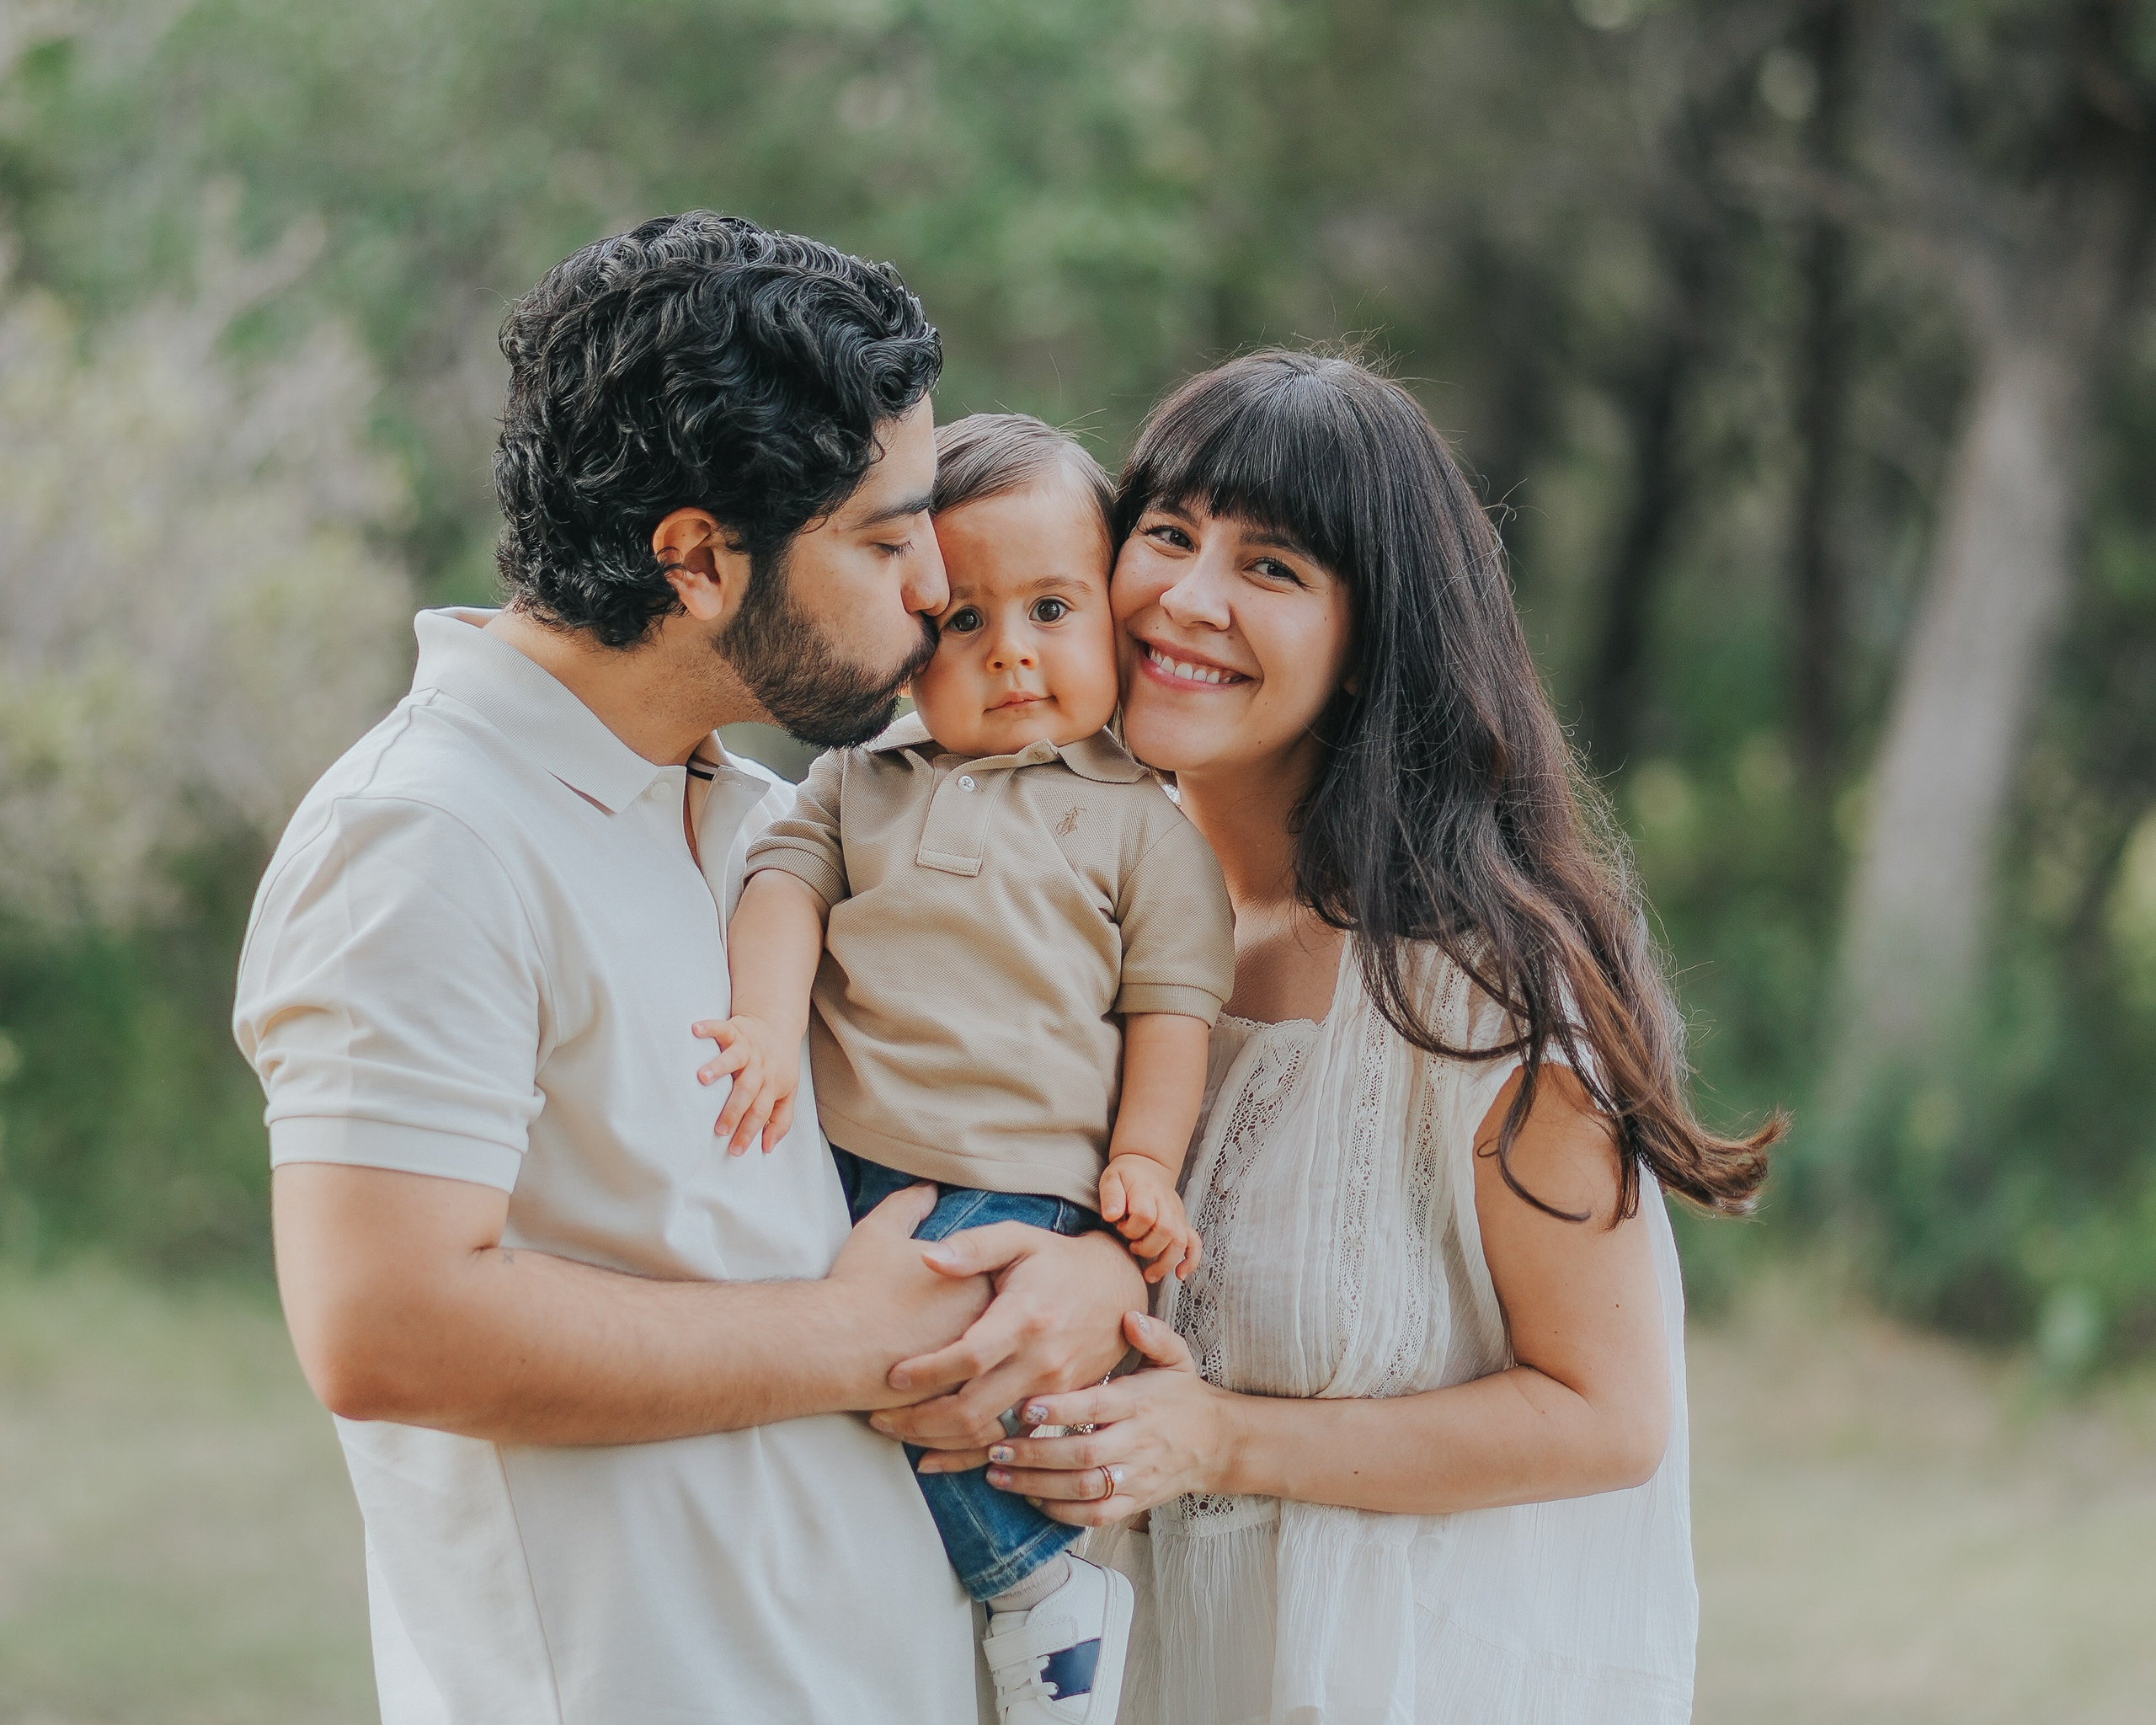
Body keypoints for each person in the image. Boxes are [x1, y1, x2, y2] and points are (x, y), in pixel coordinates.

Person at [232, 212, 1144, 1725]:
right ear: (700, 560)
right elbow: (385, 1327)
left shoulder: (777, 822)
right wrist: (854, 1339)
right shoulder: (422, 839)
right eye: (886, 538)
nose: (937, 585)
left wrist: (1086, 1273)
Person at [906, 350, 1780, 1723]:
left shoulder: (1483, 991)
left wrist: (1223, 1439)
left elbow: (1608, 1416)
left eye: (1272, 568)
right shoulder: (1072, 922)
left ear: (1371, 642)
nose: (1188, 599)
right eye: (1170, 534)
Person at [702, 413, 1235, 1725]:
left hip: (1013, 1189)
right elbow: (782, 888)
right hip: (836, 1168)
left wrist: (1145, 1161)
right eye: (962, 621)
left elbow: (1171, 1013)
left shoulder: (1144, 827)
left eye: (1052, 609)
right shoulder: (859, 779)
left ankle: (1043, 1598)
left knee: (937, 1391)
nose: (1010, 652)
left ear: (1112, 620)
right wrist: (764, 1022)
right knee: (823, 1396)